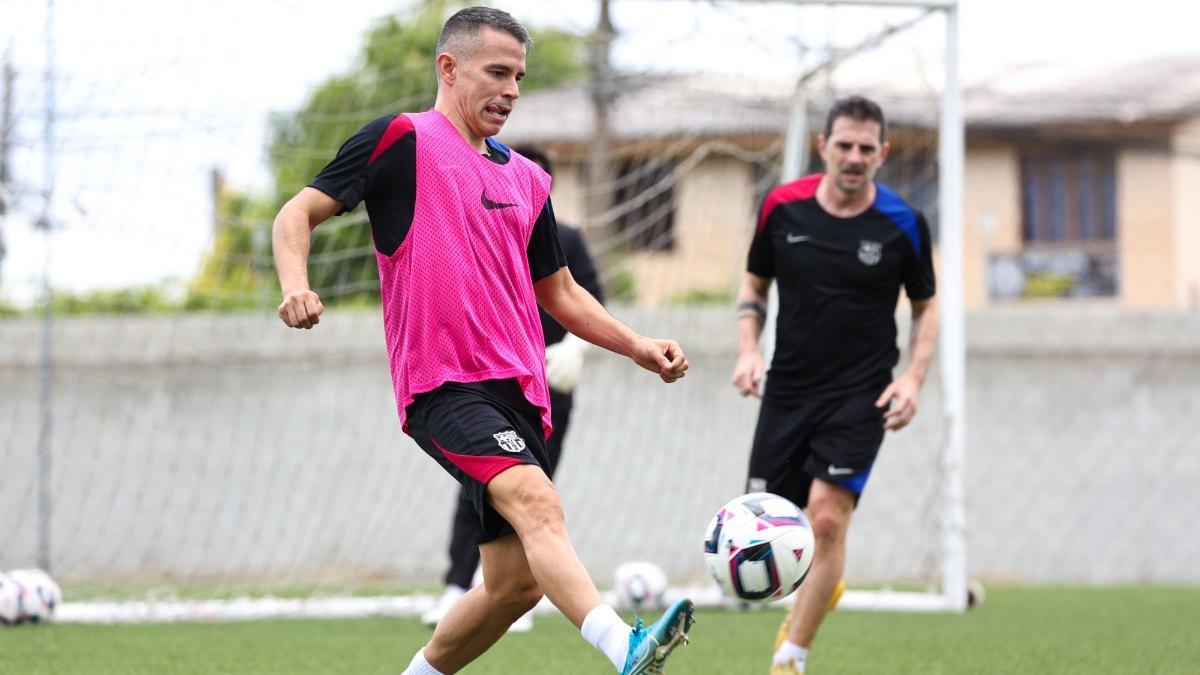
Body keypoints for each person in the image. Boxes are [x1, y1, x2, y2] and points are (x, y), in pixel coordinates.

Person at [272, 7, 694, 675]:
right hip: (443, 386)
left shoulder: (527, 178)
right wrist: (295, 283)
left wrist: (636, 344)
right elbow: (297, 212)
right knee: (537, 500)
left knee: (513, 586)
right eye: (498, 72)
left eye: (519, 77)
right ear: (449, 67)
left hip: (519, 394)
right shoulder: (400, 139)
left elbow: (560, 292)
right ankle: (625, 646)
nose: (513, 90)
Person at [731, 95, 939, 675]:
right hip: (788, 391)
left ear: (883, 153)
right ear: (823, 146)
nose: (854, 157)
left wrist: (914, 379)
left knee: (827, 518)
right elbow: (755, 283)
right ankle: (820, 589)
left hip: (861, 394)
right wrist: (749, 349)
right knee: (771, 520)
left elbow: (927, 307)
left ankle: (790, 657)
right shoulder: (781, 207)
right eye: (844, 145)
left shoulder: (903, 223)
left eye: (866, 148)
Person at [420, 144, 605, 634]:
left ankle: (511, 587)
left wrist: (575, 351)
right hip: (484, 383)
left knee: (537, 491)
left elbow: (583, 297)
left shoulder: (564, 238)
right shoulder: (475, 229)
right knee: (481, 489)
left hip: (547, 386)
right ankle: (458, 585)